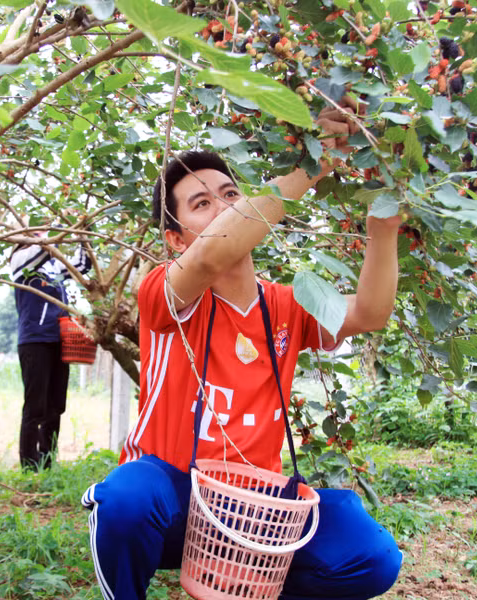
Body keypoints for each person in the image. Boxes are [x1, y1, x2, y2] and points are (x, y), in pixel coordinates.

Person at [81, 102, 403, 599]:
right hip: (173, 497)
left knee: (369, 556)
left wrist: (383, 228)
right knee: (127, 498)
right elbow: (213, 252)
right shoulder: (165, 294)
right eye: (201, 203)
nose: (225, 206)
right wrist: (313, 165)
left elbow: (369, 313)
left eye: (231, 194)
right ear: (174, 238)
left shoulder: (288, 304)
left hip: (253, 507)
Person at [10, 232, 91, 471]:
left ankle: (47, 461)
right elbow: (41, 250)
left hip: (59, 340)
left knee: (55, 405)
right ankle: (28, 464)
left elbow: (82, 266)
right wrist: (58, 231)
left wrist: (82, 234)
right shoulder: (21, 263)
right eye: (36, 233)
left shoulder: (54, 265)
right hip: (35, 340)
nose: (43, 236)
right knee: (35, 405)